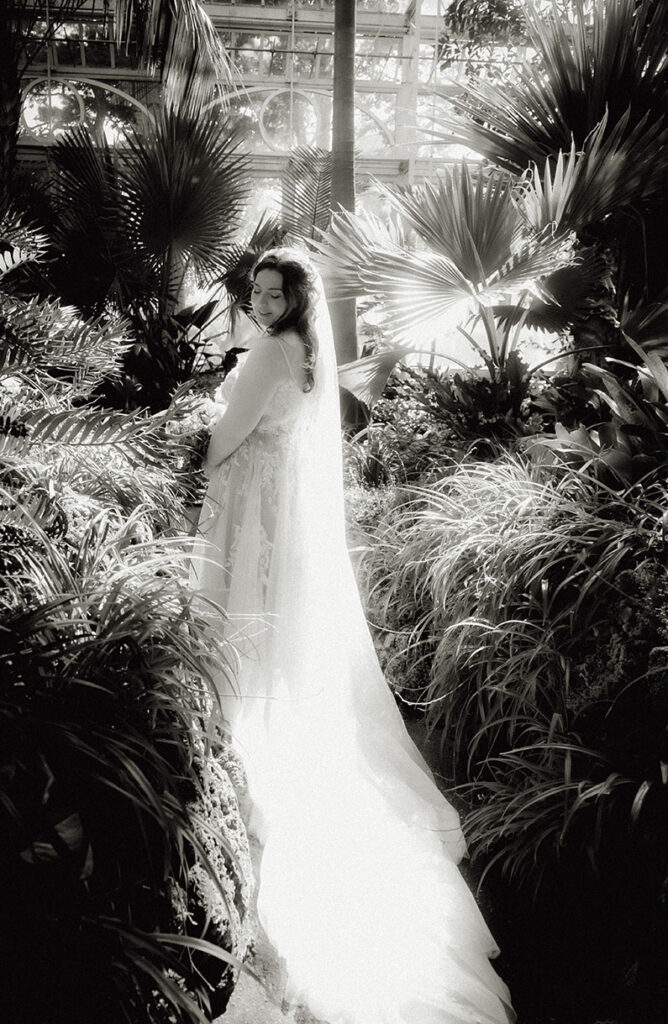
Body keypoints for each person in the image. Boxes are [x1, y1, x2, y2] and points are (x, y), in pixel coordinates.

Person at [191, 247, 515, 1024]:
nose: (263, 303)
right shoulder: (303, 350)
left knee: (242, 609)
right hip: (275, 508)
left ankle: (241, 712)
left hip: (251, 505)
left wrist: (192, 454)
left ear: (294, 300)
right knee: (264, 611)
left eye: (275, 294)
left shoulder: (272, 350)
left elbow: (229, 432)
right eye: (258, 293)